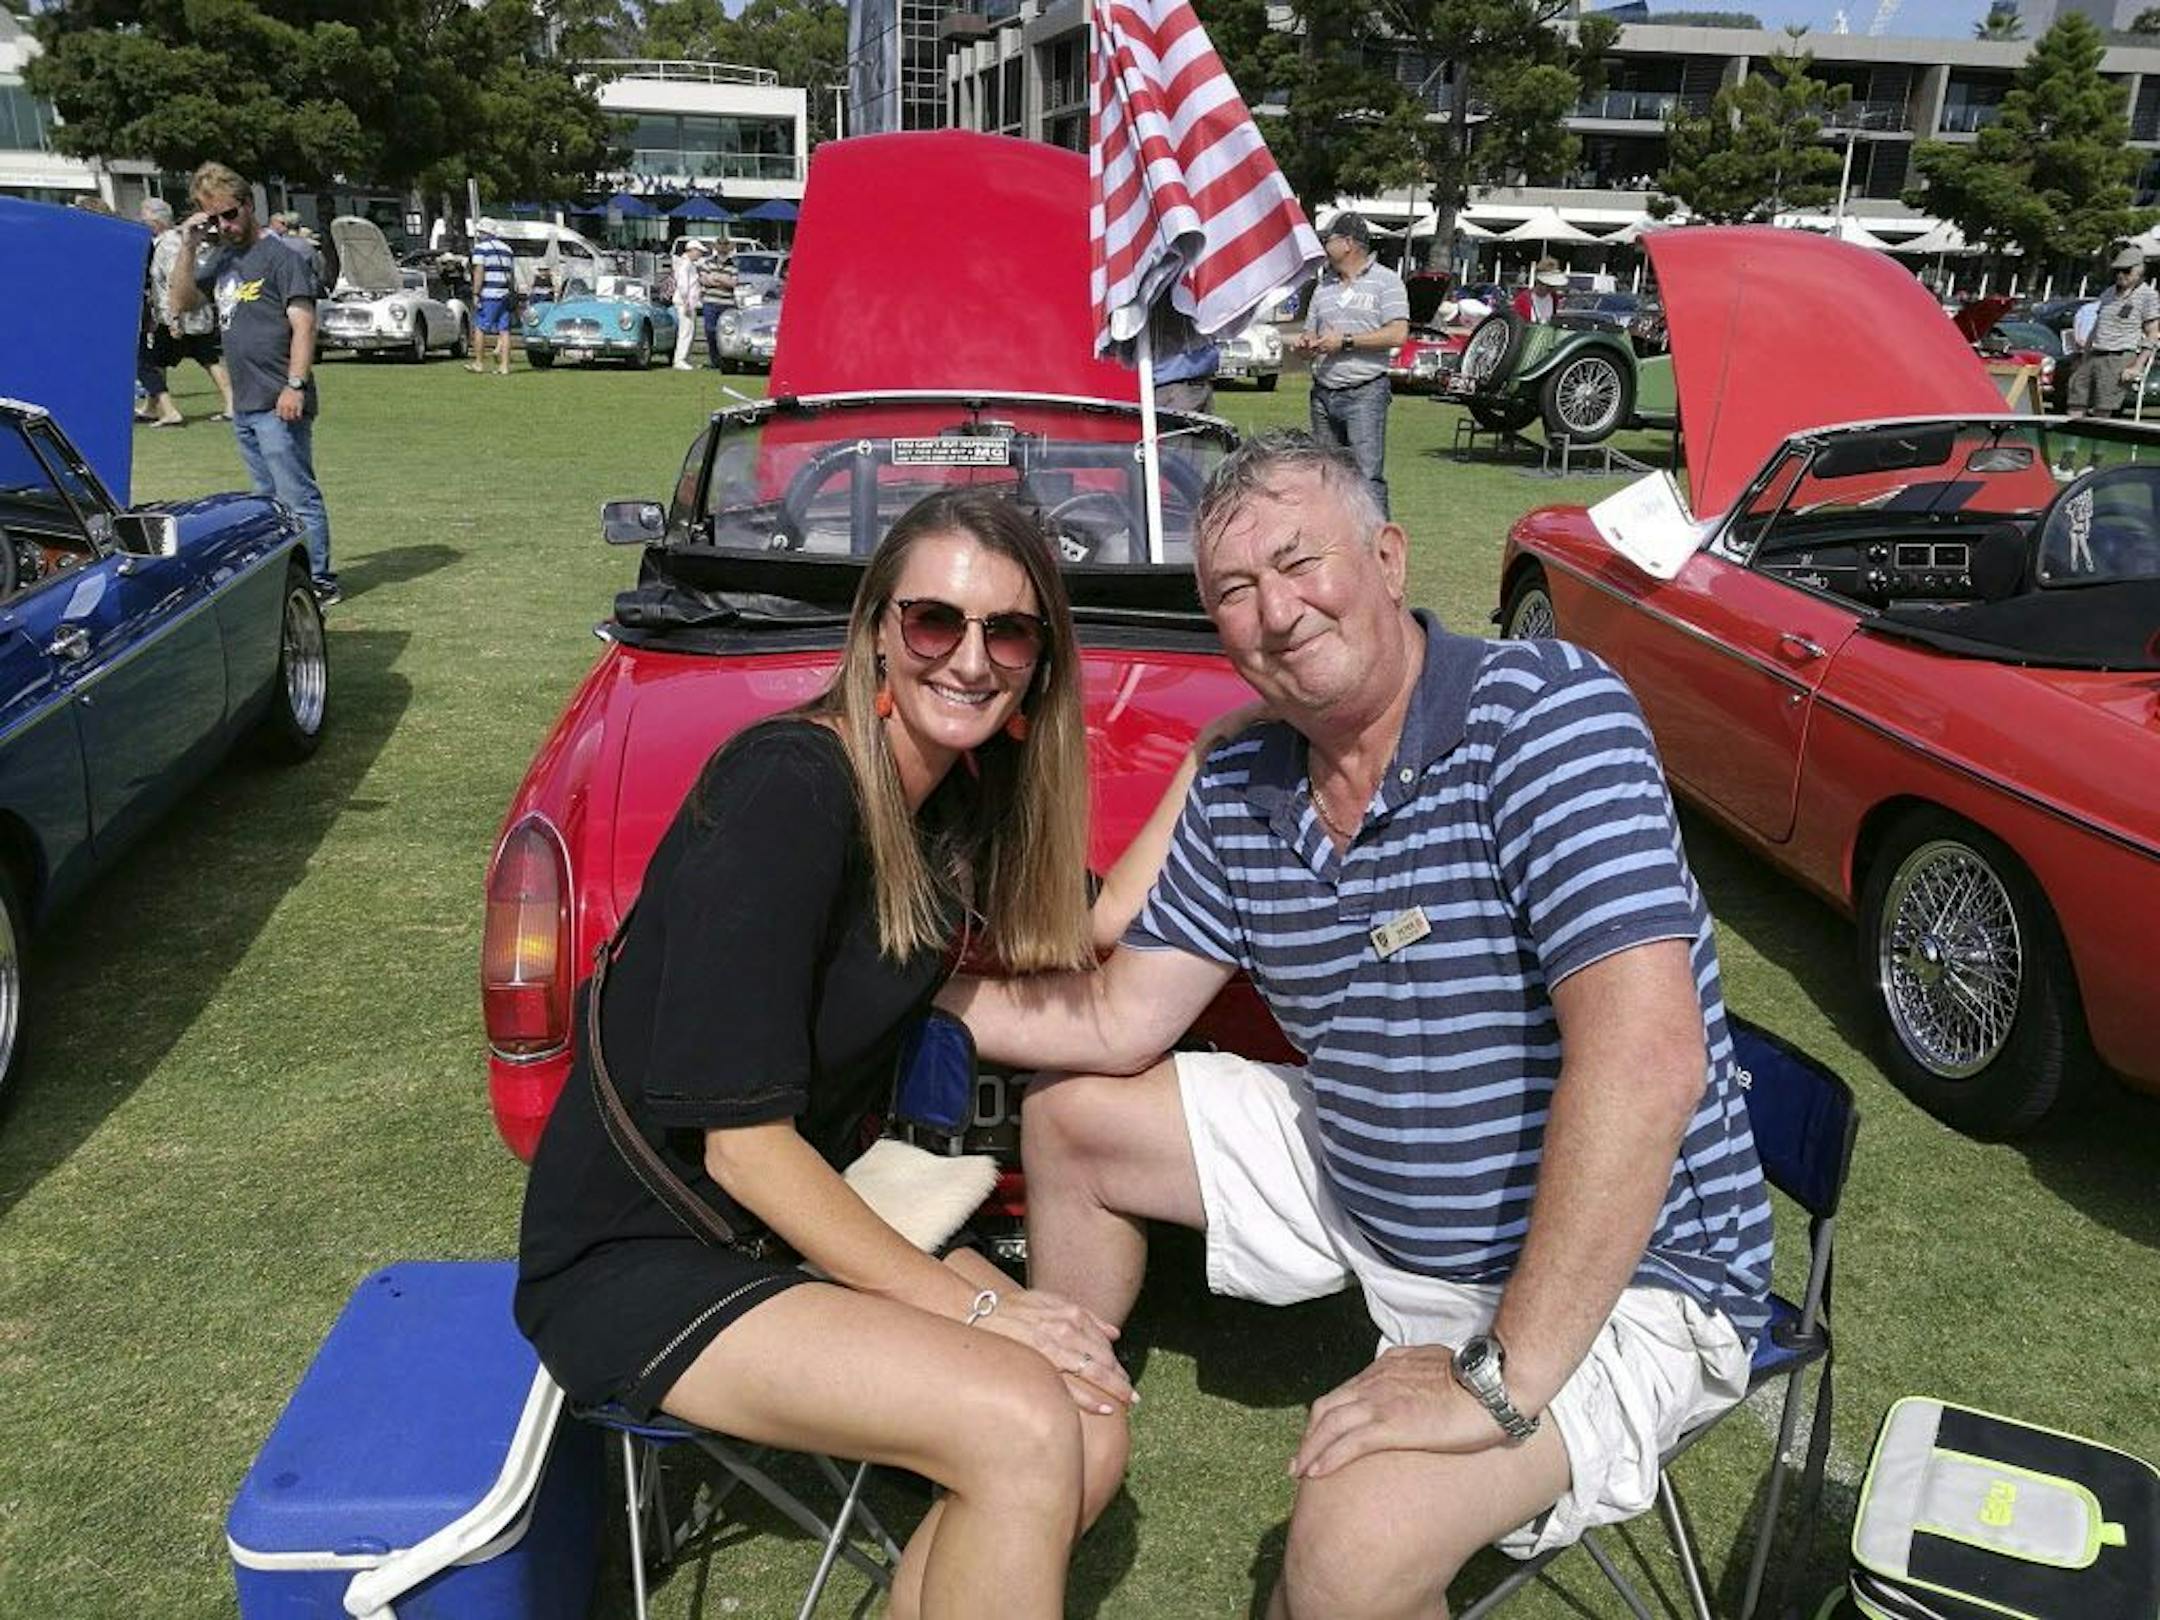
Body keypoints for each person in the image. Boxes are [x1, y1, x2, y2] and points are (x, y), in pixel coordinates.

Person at [941, 432, 1774, 1620]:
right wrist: (922, 1000)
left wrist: (1501, 1380)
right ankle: (1066, 1413)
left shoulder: (1545, 716)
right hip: (1370, 1184)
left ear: (1388, 557)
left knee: (1347, 1543)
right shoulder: (1246, 786)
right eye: (1234, 590)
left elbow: (1646, 1061)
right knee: (1078, 1121)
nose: (1276, 613)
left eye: (1299, 563)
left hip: (1626, 1272)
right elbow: (1126, 1013)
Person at [517, 487, 1256, 1620]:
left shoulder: (950, 806)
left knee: (1089, 1426)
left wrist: (1210, 760)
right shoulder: (788, 790)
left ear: (1040, 658)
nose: (971, 659)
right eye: (934, 623)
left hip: (802, 1226)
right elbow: (744, 1154)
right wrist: (981, 1311)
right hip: (652, 1253)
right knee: (1018, 1422)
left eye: (1010, 632)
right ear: (875, 630)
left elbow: (1095, 935)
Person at [167, 161, 338, 605]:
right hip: (245, 403)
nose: (224, 225)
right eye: (214, 219)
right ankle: (285, 576)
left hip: (280, 397)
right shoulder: (221, 257)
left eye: (230, 214)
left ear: (248, 205)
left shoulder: (283, 257)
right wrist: (188, 246)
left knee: (296, 494)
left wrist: (295, 384)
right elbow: (181, 302)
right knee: (266, 502)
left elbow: (304, 326)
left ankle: (319, 579)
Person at [1293, 212, 1409, 517]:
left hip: (1365, 392)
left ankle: (1376, 554)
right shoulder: (1323, 287)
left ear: (1348, 243)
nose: (1323, 245)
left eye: (1327, 239)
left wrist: (1345, 342)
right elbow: (1311, 333)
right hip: (1323, 392)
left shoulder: (1387, 281)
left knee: (1366, 477)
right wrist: (1306, 345)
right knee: (1328, 479)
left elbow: (1398, 333)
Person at [141, 197, 236, 425]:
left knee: (157, 362)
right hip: (186, 315)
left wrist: (174, 317)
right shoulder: (170, 241)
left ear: (156, 221)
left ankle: (165, 409)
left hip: (181, 315)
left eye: (144, 218)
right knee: (203, 359)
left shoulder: (169, 244)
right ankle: (154, 406)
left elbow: (176, 281)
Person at [2067, 246, 2159, 418]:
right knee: (2076, 398)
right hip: (2095, 353)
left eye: (2126, 270)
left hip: (2119, 356)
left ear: (2139, 270)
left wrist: (2137, 366)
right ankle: (2072, 444)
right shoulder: (2108, 292)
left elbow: (2153, 334)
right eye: (2117, 270)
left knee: (2103, 407)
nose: (2120, 275)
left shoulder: (2148, 295)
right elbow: (2097, 327)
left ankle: (2097, 444)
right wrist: (2084, 356)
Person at [467, 218, 517, 377]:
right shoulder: (507, 250)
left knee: (480, 328)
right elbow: (511, 276)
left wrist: (476, 293)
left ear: (484, 232)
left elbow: (479, 272)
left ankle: (479, 363)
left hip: (489, 294)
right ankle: (504, 366)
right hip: (505, 294)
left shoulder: (481, 249)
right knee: (504, 331)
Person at [699, 245, 738, 369]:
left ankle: (725, 360)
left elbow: (733, 283)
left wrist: (717, 278)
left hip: (727, 303)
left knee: (726, 332)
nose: (723, 252)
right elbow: (704, 280)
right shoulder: (708, 263)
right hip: (710, 302)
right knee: (710, 330)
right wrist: (724, 280)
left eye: (725, 250)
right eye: (721, 249)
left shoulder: (733, 265)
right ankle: (714, 359)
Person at [670, 237, 705, 370]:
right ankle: (680, 360)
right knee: (686, 331)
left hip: (690, 302)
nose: (700, 254)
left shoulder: (689, 263)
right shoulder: (685, 264)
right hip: (686, 303)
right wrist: (686, 303)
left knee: (690, 331)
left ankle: (685, 359)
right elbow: (683, 285)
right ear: (692, 250)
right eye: (699, 251)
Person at [1514, 257, 1569, 323]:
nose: (1551, 289)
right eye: (1548, 285)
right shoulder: (1522, 300)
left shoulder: (1553, 297)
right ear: (1538, 282)